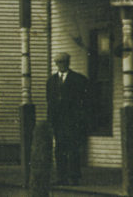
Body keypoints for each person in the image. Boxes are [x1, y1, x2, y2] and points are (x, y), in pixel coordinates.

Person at [46, 52, 89, 185]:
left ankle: (74, 177)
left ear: (68, 63)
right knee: (60, 149)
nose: (61, 65)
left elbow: (85, 102)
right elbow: (50, 102)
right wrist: (50, 121)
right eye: (58, 62)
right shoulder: (51, 81)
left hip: (73, 121)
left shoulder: (78, 79)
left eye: (63, 62)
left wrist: (80, 119)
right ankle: (61, 177)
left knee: (73, 149)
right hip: (58, 121)